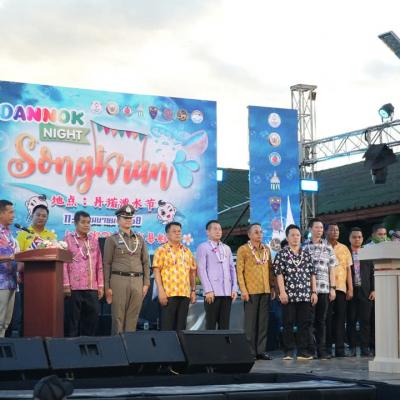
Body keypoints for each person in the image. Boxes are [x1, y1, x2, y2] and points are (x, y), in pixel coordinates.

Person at [103, 205, 150, 334]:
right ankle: (117, 345)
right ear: (118, 220)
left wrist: (146, 283)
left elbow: (146, 262)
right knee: (118, 317)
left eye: (130, 218)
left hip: (137, 281)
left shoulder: (139, 239)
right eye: (125, 218)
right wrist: (107, 287)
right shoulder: (111, 239)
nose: (128, 220)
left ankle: (129, 345)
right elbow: (106, 264)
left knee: (133, 317)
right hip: (119, 280)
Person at [273, 224, 318, 360]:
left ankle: (302, 351)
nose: (295, 237)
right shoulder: (282, 254)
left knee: (304, 324)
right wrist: (282, 292)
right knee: (288, 323)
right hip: (289, 294)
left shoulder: (306, 254)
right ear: (287, 238)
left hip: (305, 294)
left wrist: (314, 292)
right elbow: (279, 274)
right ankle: (288, 351)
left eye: (298, 235)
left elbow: (312, 274)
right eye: (292, 235)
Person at [15, 204, 56, 336]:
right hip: (27, 279)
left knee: (44, 311)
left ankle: (45, 338)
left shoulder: (50, 236)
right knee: (26, 311)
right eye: (38, 215)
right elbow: (17, 256)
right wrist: (17, 273)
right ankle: (24, 339)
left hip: (47, 281)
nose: (41, 218)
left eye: (44, 216)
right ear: (32, 215)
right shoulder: (23, 234)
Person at [236, 223, 275, 360]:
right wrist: (243, 290)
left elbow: (270, 269)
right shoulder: (243, 250)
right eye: (256, 232)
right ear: (249, 235)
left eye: (261, 232)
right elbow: (239, 272)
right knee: (250, 323)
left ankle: (261, 351)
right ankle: (250, 351)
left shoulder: (266, 249)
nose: (260, 234)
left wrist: (272, 286)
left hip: (265, 289)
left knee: (263, 322)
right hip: (251, 291)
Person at [63, 211, 104, 336]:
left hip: (91, 287)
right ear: (76, 223)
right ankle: (71, 345)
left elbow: (99, 264)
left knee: (91, 320)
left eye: (88, 222)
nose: (86, 225)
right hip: (74, 288)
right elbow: (64, 264)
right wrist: (65, 284)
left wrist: (100, 286)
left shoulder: (94, 241)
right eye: (83, 222)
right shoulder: (67, 240)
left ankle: (87, 344)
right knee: (73, 321)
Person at [153, 222, 197, 330]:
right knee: (167, 328)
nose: (177, 233)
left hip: (184, 294)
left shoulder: (187, 251)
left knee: (181, 328)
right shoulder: (161, 250)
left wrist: (193, 291)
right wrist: (161, 291)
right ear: (167, 234)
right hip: (168, 294)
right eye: (174, 231)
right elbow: (156, 271)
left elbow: (192, 272)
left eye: (179, 231)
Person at [303, 218, 337, 359]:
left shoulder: (328, 247)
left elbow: (332, 269)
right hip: (309, 290)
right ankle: (311, 350)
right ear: (310, 229)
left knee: (321, 321)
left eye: (321, 228)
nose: (319, 230)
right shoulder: (304, 247)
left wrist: (333, 288)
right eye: (316, 227)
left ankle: (322, 350)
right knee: (309, 321)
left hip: (324, 289)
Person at [196, 220, 238, 330]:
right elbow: (201, 269)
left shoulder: (226, 248)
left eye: (220, 229)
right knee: (210, 325)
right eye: (215, 229)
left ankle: (223, 343)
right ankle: (210, 343)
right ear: (208, 232)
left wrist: (234, 289)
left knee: (224, 326)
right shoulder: (203, 247)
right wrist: (208, 290)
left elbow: (232, 269)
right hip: (212, 293)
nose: (218, 231)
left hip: (227, 292)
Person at [325, 223, 353, 357]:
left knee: (341, 319)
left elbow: (348, 270)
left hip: (341, 288)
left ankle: (340, 349)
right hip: (326, 288)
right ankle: (327, 349)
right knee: (327, 319)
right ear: (326, 232)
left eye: (337, 230)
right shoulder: (322, 247)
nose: (335, 232)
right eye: (332, 230)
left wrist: (350, 288)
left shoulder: (344, 248)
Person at [347, 227, 375, 357]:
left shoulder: (368, 254)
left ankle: (365, 348)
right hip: (350, 292)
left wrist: (374, 289)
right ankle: (352, 347)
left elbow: (373, 273)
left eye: (359, 237)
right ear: (349, 239)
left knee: (366, 322)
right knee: (351, 321)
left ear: (362, 239)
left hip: (366, 292)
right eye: (354, 237)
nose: (357, 239)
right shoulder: (345, 253)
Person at [0, 200, 20, 337]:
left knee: (6, 322)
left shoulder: (9, 233)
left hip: (12, 281)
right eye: (10, 212)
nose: (13, 215)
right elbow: (11, 256)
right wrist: (11, 257)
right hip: (1, 282)